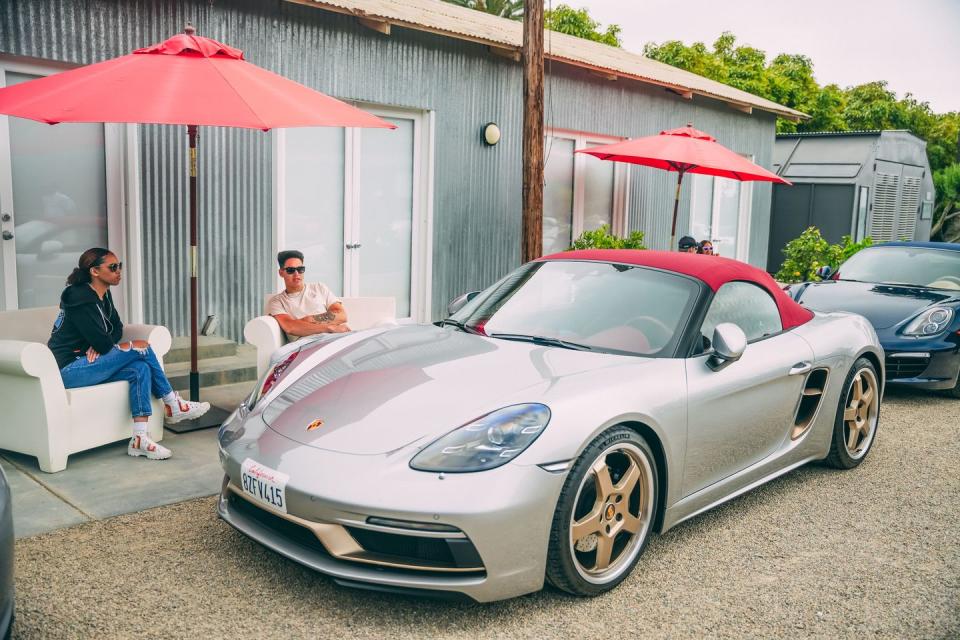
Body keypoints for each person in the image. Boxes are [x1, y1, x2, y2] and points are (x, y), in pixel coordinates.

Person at [48, 248, 210, 461]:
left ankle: (140, 438)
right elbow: (105, 343)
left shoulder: (103, 293)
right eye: (112, 267)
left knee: (139, 368)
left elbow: (117, 328)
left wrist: (100, 342)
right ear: (94, 271)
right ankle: (172, 403)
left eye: (120, 266)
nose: (118, 271)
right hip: (68, 369)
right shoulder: (80, 297)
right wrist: (103, 342)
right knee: (142, 347)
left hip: (88, 363)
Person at [267, 250, 350, 341]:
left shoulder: (319, 288)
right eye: (290, 270)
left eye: (300, 269)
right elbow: (290, 327)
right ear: (281, 273)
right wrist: (330, 328)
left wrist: (307, 320)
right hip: (308, 345)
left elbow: (342, 315)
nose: (297, 274)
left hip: (336, 339)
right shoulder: (277, 301)